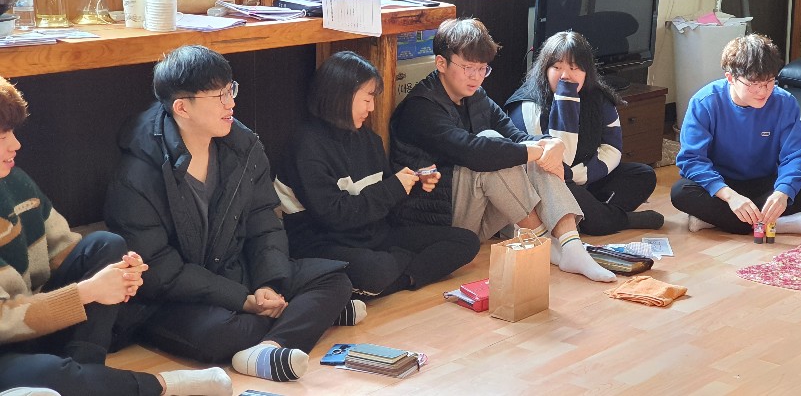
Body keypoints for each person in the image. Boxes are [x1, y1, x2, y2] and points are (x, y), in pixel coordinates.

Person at [103, 45, 356, 383]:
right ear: (182, 107)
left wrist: (267, 283)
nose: (231, 103)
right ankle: (305, 317)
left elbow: (264, 221)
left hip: (233, 270)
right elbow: (160, 269)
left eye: (230, 89)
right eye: (218, 95)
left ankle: (269, 348)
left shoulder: (243, 146)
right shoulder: (137, 175)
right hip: (170, 299)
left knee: (336, 279)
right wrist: (243, 300)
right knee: (225, 333)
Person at [0, 76, 232, 396]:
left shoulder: (15, 181)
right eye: (3, 136)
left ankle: (86, 373)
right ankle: (161, 385)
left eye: (12, 133)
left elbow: (64, 251)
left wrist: (118, 274)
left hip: (35, 326)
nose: (15, 145)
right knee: (50, 374)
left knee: (107, 245)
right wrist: (87, 291)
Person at [389, 18, 617, 282]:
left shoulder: (477, 96)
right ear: (441, 63)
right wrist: (534, 150)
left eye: (482, 69)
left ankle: (571, 246)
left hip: (474, 211)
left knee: (526, 153)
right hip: (439, 223)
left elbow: (516, 136)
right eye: (468, 67)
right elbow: (472, 152)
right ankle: (545, 245)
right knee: (492, 147)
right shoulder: (421, 107)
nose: (476, 77)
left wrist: (549, 143)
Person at [274, 51, 480, 297]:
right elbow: (334, 215)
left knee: (466, 241)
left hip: (371, 234)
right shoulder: (306, 146)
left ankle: (396, 278)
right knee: (376, 268)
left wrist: (413, 183)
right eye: (367, 99)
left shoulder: (368, 139)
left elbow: (384, 200)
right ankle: (393, 273)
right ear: (341, 96)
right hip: (323, 242)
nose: (371, 108)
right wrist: (394, 187)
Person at [504, 31, 663, 236]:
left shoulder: (599, 97)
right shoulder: (526, 105)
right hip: (548, 183)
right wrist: (566, 103)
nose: (565, 75)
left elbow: (612, 148)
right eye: (557, 67)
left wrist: (581, 175)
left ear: (587, 71)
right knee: (568, 190)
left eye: (574, 68)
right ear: (544, 69)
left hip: (583, 176)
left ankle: (590, 215)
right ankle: (611, 219)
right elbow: (557, 163)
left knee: (643, 174)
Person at [671, 34, 801, 235]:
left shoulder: (784, 102)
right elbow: (691, 160)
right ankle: (777, 224)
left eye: (769, 82)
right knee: (680, 192)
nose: (763, 91)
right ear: (730, 78)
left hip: (764, 182)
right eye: (753, 84)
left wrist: (782, 192)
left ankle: (722, 221)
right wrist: (729, 196)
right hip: (722, 185)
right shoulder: (705, 102)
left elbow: (797, 155)